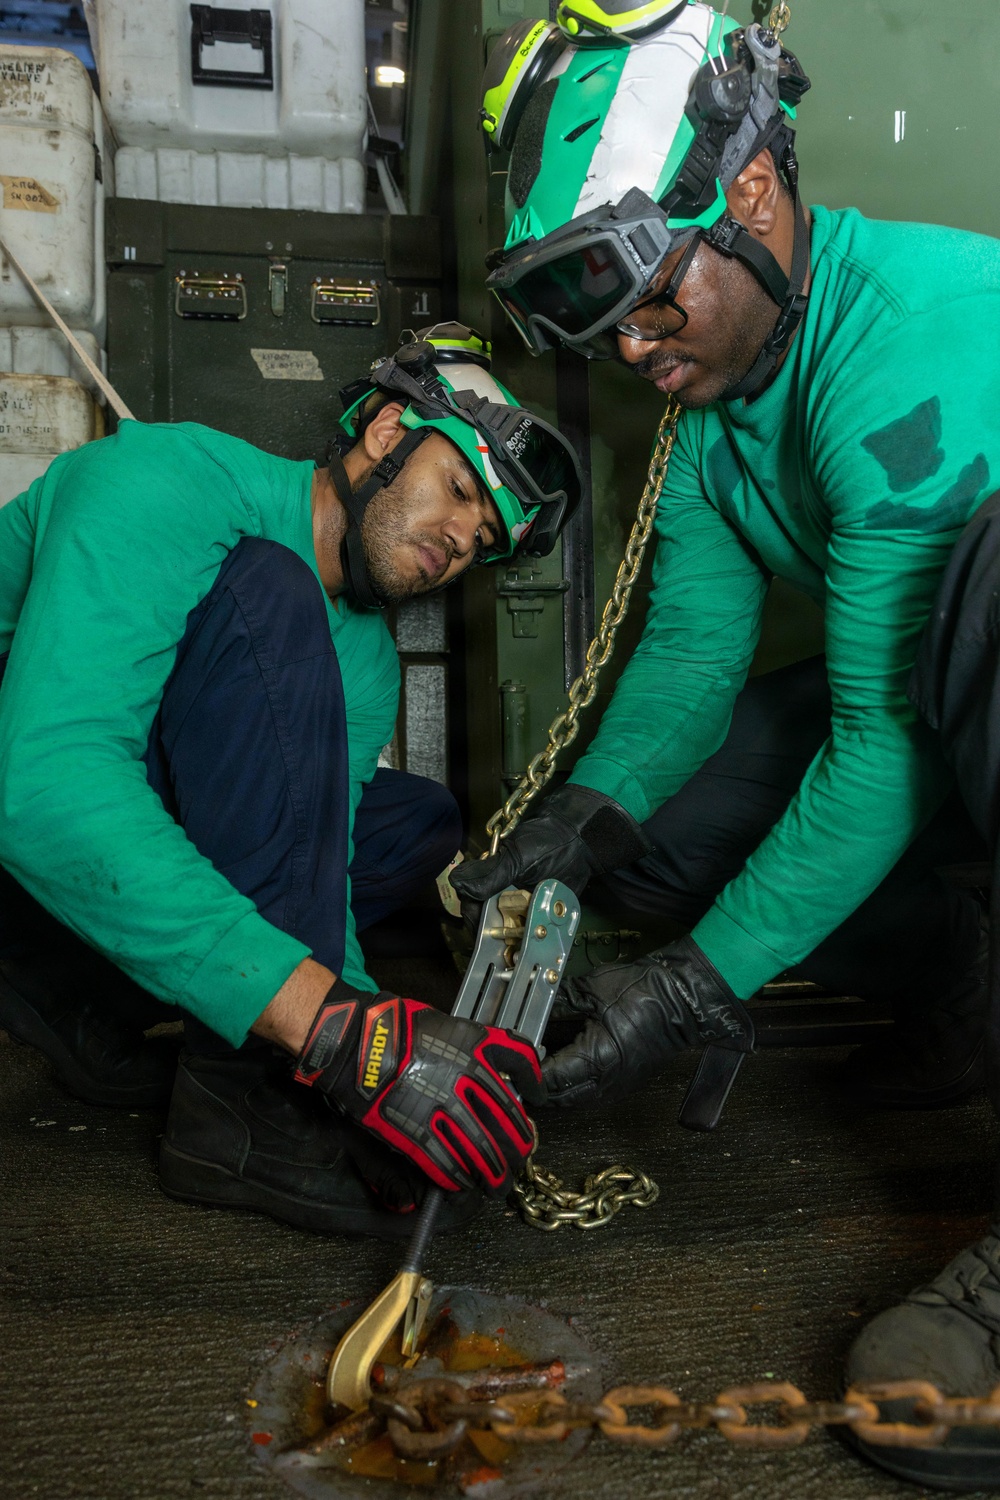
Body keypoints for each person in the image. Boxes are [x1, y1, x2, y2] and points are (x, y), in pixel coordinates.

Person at [451, 5, 1000, 1488]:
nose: (630, 351)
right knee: (680, 825)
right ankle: (960, 991)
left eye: (648, 303)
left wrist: (691, 990)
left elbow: (889, 747)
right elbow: (693, 657)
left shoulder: (917, 341)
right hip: (957, 714)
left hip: (969, 695)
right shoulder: (709, 404)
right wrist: (583, 818)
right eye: (595, 323)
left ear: (751, 195)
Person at [0, 321, 582, 1242]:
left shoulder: (367, 654)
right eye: (459, 491)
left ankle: (83, 996)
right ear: (387, 435)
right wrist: (326, 1030)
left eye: (479, 541)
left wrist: (360, 1059)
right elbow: (42, 785)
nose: (458, 541)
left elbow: (314, 865)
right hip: (26, 824)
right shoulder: (164, 479)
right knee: (267, 591)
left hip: (97, 862)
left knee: (413, 823)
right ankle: (231, 1115)